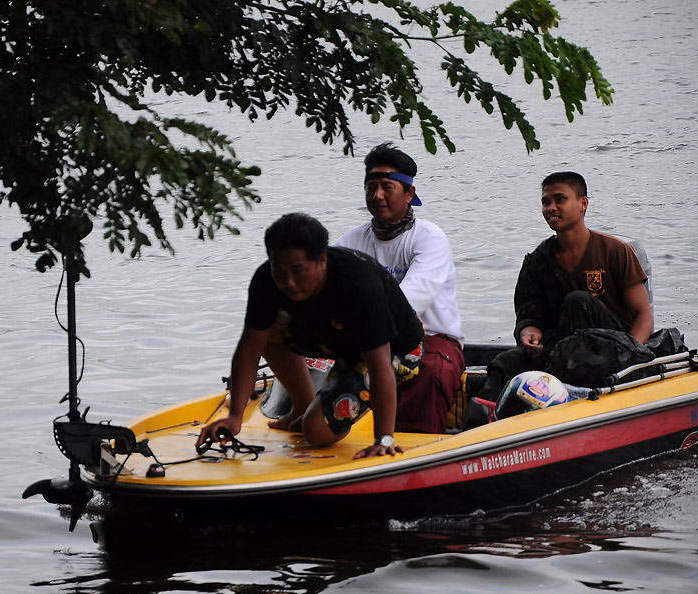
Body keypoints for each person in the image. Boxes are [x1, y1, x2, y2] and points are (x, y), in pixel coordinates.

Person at [195, 212, 426, 459]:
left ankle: (317, 416)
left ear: (322, 261)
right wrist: (234, 417)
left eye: (298, 271)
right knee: (267, 330)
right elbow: (249, 348)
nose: (289, 283)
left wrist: (384, 438)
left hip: (396, 350)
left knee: (314, 432)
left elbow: (380, 367)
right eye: (279, 272)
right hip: (336, 337)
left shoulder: (358, 285)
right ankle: (302, 407)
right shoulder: (266, 280)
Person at [477, 171, 653, 403]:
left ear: (583, 204)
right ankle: (482, 421)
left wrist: (630, 356)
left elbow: (643, 316)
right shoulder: (538, 260)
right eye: (545, 202)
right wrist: (530, 334)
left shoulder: (615, 251)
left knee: (577, 302)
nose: (551, 207)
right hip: (559, 350)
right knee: (505, 363)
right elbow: (530, 315)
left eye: (560, 199)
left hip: (612, 350)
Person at [336, 143, 465, 433]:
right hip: (368, 339)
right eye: (371, 187)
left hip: (432, 340)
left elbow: (405, 306)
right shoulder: (349, 242)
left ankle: (412, 448)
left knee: (428, 373)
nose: (377, 195)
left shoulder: (430, 239)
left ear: (409, 193)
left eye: (387, 187)